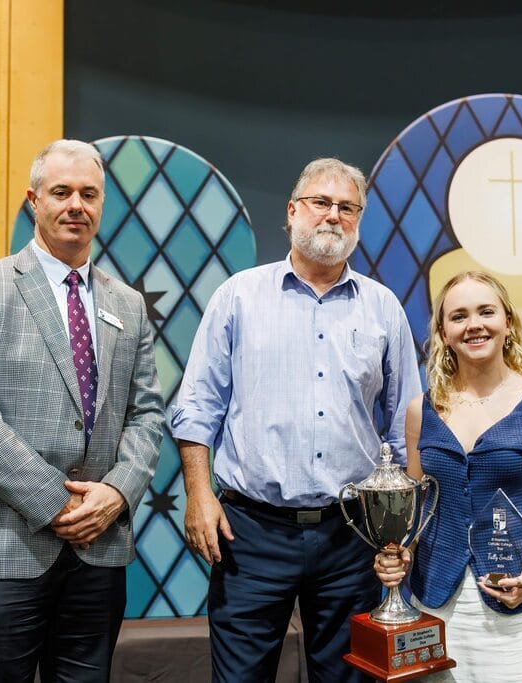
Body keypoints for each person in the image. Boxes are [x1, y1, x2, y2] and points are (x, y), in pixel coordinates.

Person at [171, 158, 421, 683]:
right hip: (250, 533)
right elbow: (196, 407)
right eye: (320, 202)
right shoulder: (238, 297)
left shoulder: (382, 308)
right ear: (291, 211)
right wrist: (198, 494)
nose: (333, 215)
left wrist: (404, 529)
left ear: (359, 220)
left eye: (347, 207)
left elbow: (406, 424)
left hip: (352, 535)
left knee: (349, 676)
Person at [0, 139, 164, 682]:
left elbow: (148, 414)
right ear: (33, 200)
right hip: (4, 545)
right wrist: (56, 502)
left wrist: (117, 493)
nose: (76, 205)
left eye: (89, 194)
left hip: (99, 548)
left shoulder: (128, 304)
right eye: (61, 192)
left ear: (102, 204)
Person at [374, 271, 522, 682]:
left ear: (507, 323)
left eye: (486, 312)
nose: (473, 324)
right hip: (437, 602)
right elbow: (417, 509)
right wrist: (401, 553)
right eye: (459, 316)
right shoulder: (420, 411)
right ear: (444, 333)